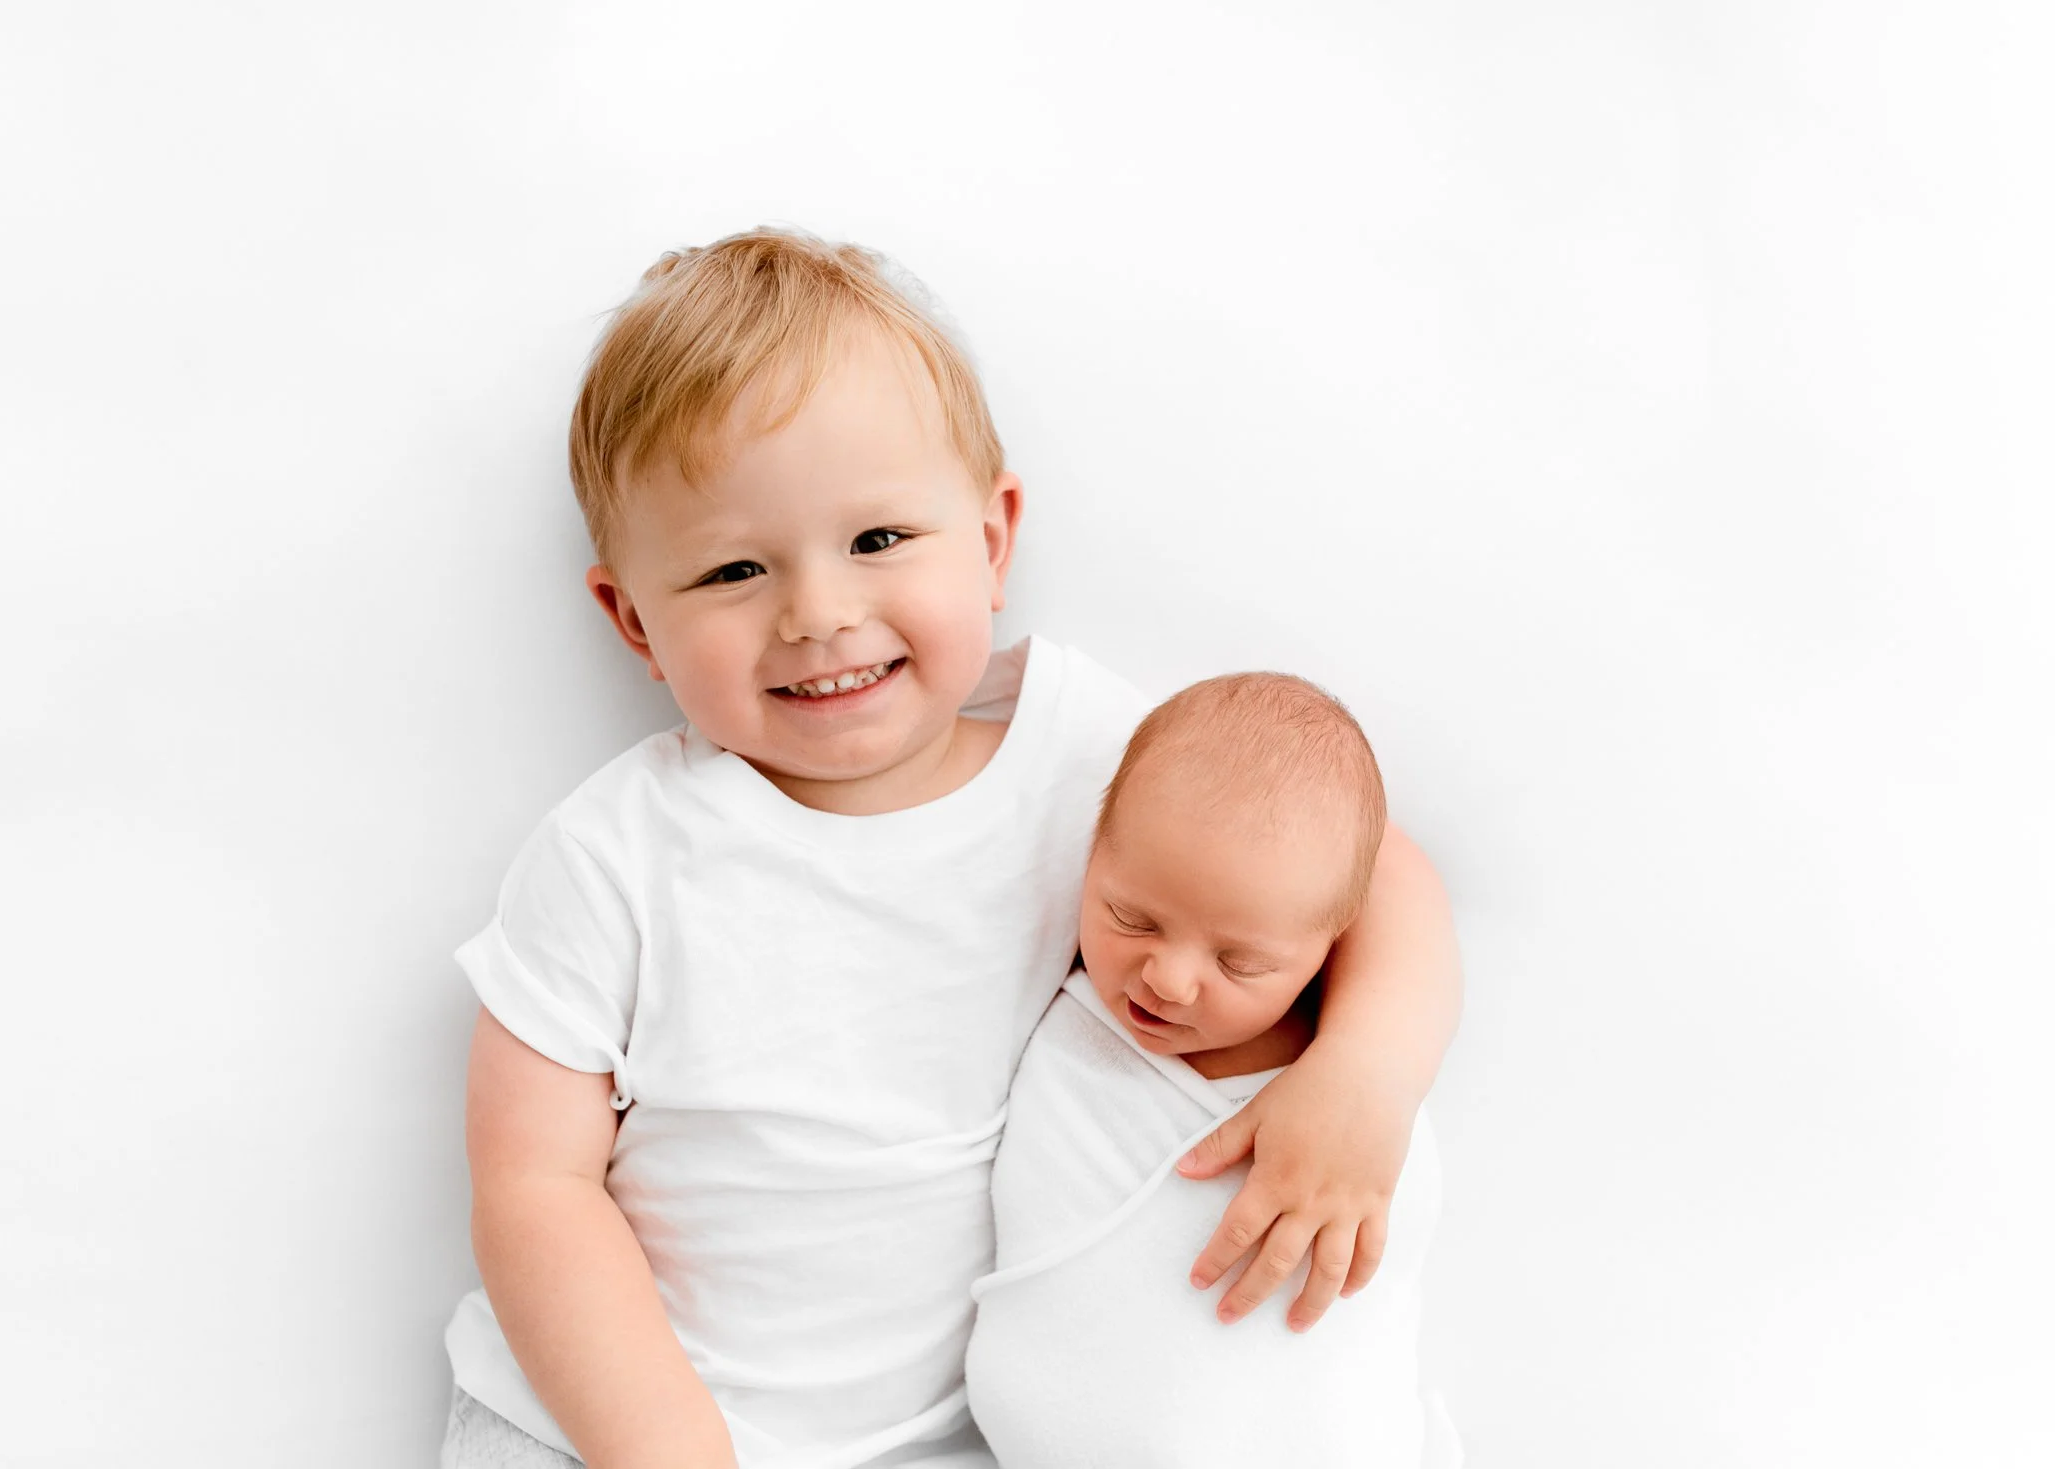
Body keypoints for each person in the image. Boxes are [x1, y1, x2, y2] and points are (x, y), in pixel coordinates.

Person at [440, 228, 1462, 1468]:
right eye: (732, 568)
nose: (817, 612)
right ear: (633, 619)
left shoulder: (1087, 758)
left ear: (990, 541)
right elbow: (534, 1185)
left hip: (953, 1436)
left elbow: (1369, 866)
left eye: (876, 541)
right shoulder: (618, 850)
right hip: (605, 1428)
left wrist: (1365, 1070)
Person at [966, 673, 1460, 1468]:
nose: (1166, 980)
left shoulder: (1339, 1045)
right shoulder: (1068, 957)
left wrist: (1367, 1075)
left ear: (1327, 949)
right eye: (1132, 917)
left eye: (1242, 962)